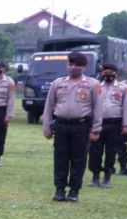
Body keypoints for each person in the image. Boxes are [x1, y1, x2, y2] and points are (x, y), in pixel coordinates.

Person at [42, 51, 103, 202]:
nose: (73, 67)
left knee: (79, 159)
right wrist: (47, 127)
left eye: (77, 65)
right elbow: (49, 106)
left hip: (81, 126)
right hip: (61, 126)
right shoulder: (58, 83)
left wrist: (96, 129)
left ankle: (74, 190)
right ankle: (60, 189)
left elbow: (98, 108)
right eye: (70, 64)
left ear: (84, 67)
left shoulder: (92, 84)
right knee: (60, 159)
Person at [87, 63, 127, 188]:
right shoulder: (96, 87)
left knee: (111, 152)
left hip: (115, 124)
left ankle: (107, 178)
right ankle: (95, 177)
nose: (108, 74)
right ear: (101, 73)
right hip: (98, 124)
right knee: (94, 152)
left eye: (111, 72)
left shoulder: (124, 88)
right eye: (105, 72)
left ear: (116, 74)